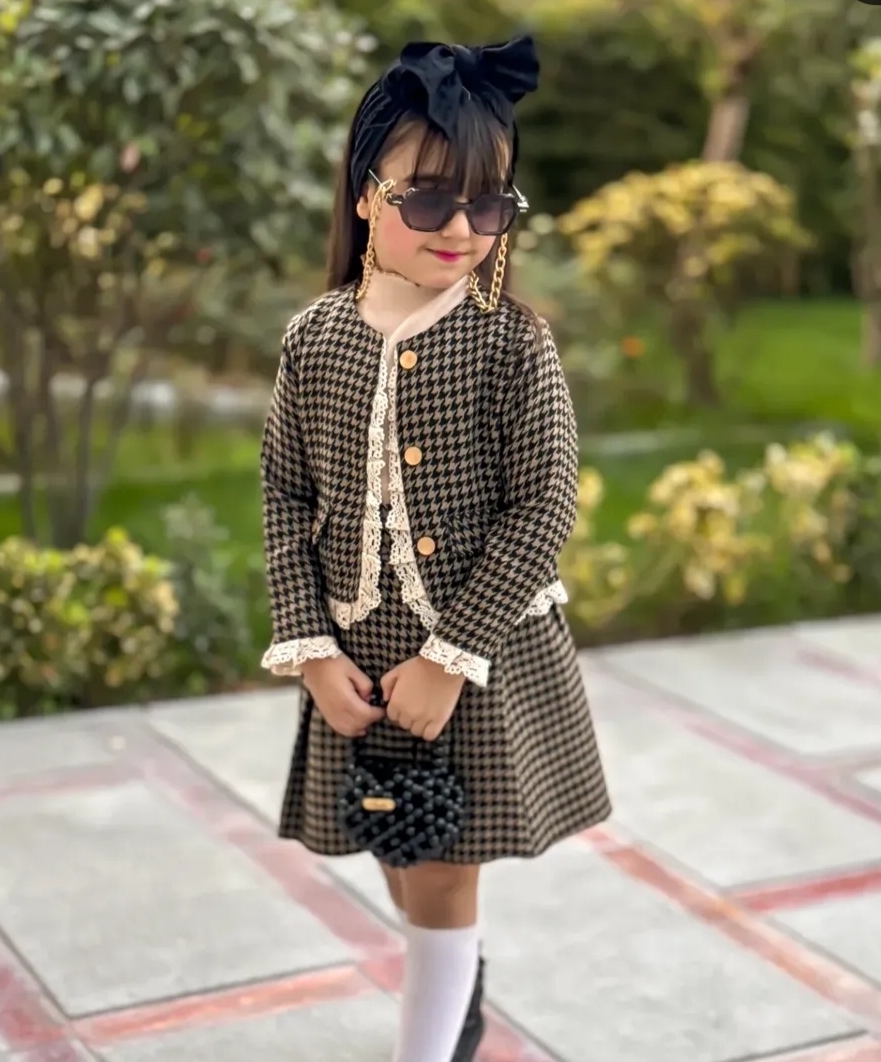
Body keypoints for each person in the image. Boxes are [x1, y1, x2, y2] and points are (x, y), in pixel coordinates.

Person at [260, 33, 612, 1062]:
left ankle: (435, 1038)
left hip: (474, 657)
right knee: (398, 843)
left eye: (487, 205)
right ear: (366, 197)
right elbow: (284, 494)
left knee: (445, 875)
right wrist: (310, 649)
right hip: (354, 658)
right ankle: (457, 981)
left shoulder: (512, 343)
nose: (459, 228)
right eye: (426, 201)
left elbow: (543, 505)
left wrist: (450, 658)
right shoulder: (315, 336)